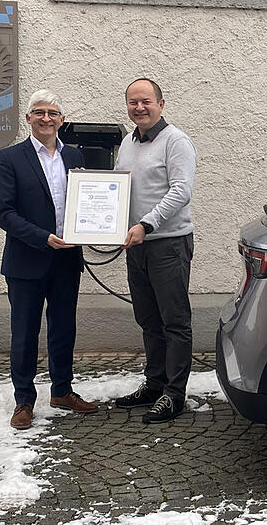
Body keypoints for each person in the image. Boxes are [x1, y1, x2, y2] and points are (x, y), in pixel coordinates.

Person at [0, 89, 98, 430]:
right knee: (24, 332)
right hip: (27, 259)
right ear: (28, 118)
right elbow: (4, 213)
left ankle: (62, 391)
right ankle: (24, 400)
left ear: (62, 120)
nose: (46, 118)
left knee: (64, 328)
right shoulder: (10, 158)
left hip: (67, 259)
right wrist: (42, 238)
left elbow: (89, 201)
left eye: (52, 113)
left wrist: (97, 227)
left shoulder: (75, 156)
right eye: (39, 112)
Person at [113, 78, 197, 423]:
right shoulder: (127, 142)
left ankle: (174, 395)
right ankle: (155, 384)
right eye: (133, 102)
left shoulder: (176, 141)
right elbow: (120, 189)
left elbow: (181, 191)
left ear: (161, 104)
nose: (139, 108)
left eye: (146, 101)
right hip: (138, 246)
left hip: (167, 244)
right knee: (148, 320)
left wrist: (146, 224)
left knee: (174, 322)